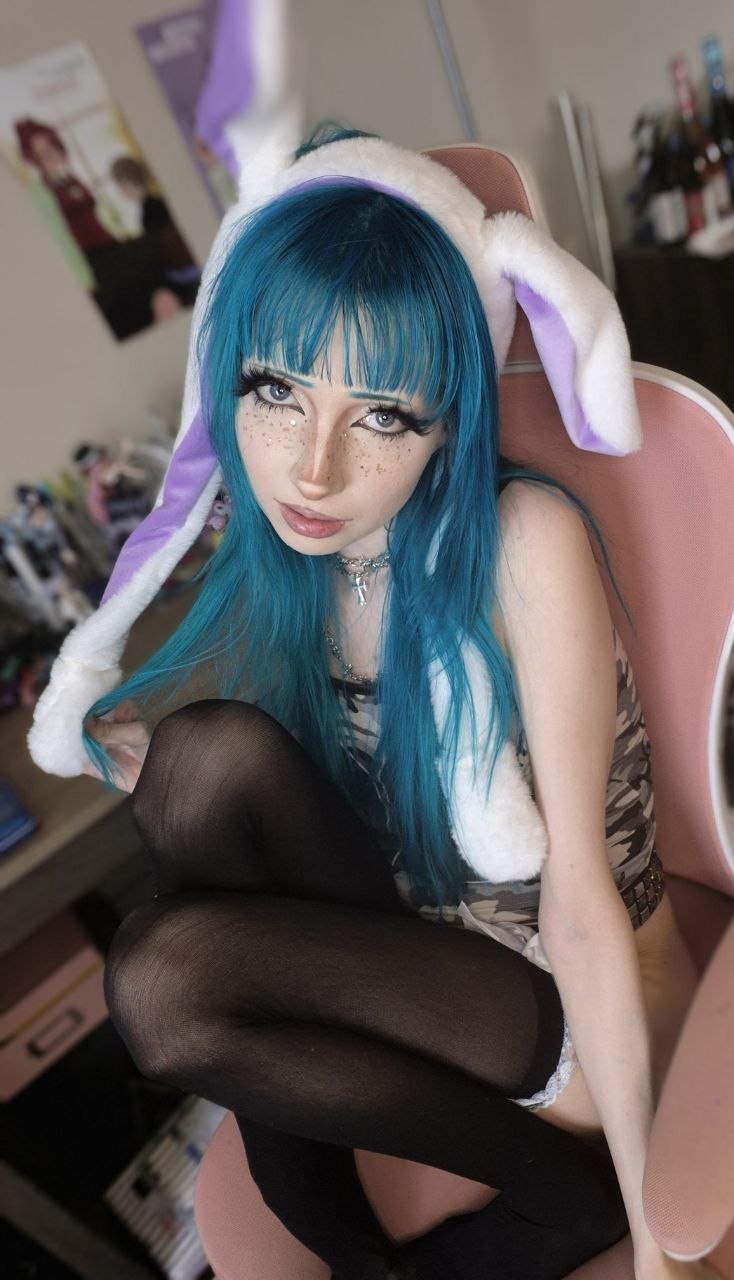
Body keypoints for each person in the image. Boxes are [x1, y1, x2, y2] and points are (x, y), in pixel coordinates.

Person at [27, 125, 712, 1280]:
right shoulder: (317, 546)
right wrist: (134, 753)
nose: (313, 467)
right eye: (277, 391)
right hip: (436, 937)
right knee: (198, 758)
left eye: (381, 415)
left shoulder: (520, 543)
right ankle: (365, 1255)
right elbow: (350, 791)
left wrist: (658, 1239)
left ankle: (568, 1204)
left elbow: (583, 907)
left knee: (161, 980)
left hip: (572, 994)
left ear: (447, 418)